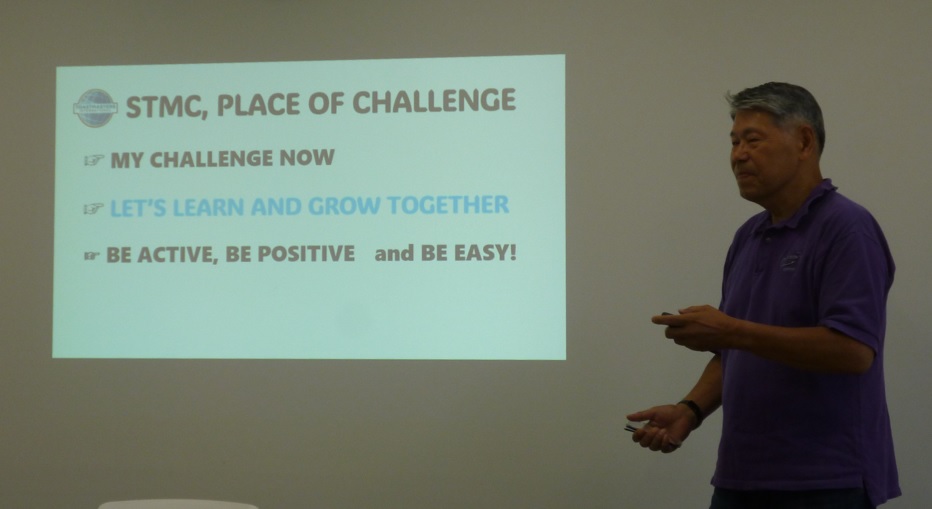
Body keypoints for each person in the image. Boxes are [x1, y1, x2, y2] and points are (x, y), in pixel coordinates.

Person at [627, 82, 900, 508]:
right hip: (741, 479)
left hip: (825, 482)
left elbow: (853, 351)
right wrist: (690, 410)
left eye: (752, 140)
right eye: (734, 142)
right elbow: (735, 350)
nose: (738, 155)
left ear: (804, 141)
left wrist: (731, 331)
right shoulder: (748, 236)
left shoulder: (847, 227)